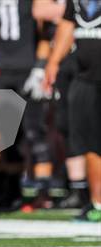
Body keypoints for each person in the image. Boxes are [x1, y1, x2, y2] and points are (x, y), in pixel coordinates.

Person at [44, 0, 101, 221]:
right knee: (89, 143)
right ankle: (97, 203)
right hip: (84, 77)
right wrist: (53, 61)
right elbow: (68, 25)